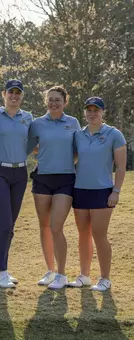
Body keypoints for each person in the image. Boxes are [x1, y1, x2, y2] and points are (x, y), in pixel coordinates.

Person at [68, 97, 126, 291]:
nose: (92, 113)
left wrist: (116, 191)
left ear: (103, 112)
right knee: (83, 234)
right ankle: (84, 276)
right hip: (80, 190)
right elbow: (71, 158)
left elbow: (121, 167)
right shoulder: (78, 135)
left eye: (96, 109)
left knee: (99, 234)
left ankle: (105, 279)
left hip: (103, 191)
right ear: (85, 112)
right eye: (89, 109)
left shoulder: (114, 134)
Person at [27, 86, 81, 289]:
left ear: (65, 102)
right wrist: (44, 154)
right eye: (50, 99)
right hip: (42, 178)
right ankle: (50, 270)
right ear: (46, 101)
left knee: (56, 226)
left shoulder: (73, 122)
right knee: (45, 226)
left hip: (66, 179)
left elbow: (77, 150)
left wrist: (65, 161)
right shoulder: (37, 124)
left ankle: (62, 274)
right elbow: (31, 145)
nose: (54, 103)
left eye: (58, 99)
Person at [0, 79, 33, 288]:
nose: (14, 96)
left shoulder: (28, 118)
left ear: (22, 95)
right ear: (4, 94)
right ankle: (0, 271)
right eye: (10, 92)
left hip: (20, 173)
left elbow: (31, 143)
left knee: (10, 225)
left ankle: (3, 270)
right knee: (4, 223)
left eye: (18, 93)